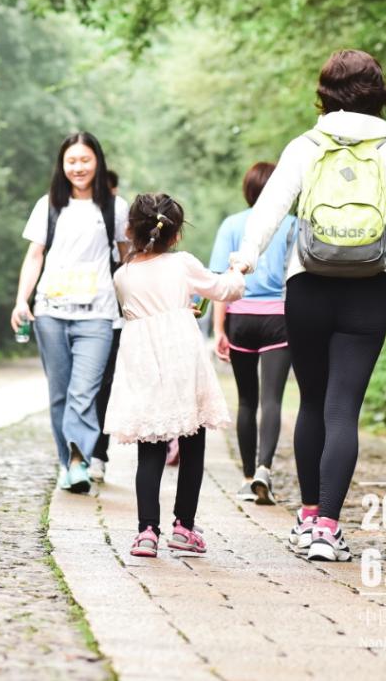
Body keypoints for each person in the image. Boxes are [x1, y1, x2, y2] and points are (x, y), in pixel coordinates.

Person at [230, 49, 386, 563]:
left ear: (325, 91)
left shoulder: (305, 146)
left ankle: (308, 517)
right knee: (343, 410)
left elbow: (269, 210)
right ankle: (328, 531)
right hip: (368, 288)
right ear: (379, 91)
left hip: (308, 285)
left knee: (311, 402)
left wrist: (245, 260)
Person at [105, 193, 244, 557]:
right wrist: (238, 268)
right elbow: (225, 290)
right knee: (192, 441)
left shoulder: (123, 275)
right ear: (176, 234)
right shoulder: (183, 263)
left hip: (142, 361)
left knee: (150, 448)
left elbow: (143, 308)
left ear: (129, 230)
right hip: (182, 357)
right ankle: (184, 526)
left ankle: (146, 532)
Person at [11, 132, 129, 494]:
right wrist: (21, 300)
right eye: (71, 161)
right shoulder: (48, 205)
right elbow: (35, 256)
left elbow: (127, 260)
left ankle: (79, 460)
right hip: (50, 313)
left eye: (85, 160)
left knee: (84, 391)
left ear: (98, 162)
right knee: (60, 394)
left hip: (98, 315)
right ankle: (69, 463)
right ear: (62, 165)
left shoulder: (115, 208)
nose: (78, 167)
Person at [210, 162, 295, 505]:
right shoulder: (293, 225)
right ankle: (263, 469)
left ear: (248, 189)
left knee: (246, 400)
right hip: (279, 318)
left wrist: (219, 329)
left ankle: (247, 479)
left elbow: (221, 280)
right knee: (272, 399)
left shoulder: (232, 224)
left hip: (240, 318)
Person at [89, 170, 122, 483]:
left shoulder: (118, 216)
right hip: (77, 314)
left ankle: (98, 453)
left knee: (103, 387)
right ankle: (77, 452)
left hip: (112, 318)